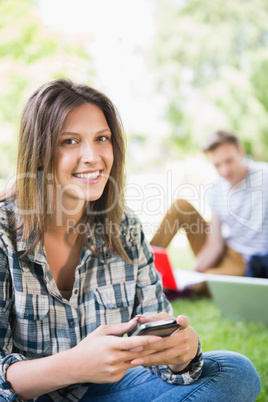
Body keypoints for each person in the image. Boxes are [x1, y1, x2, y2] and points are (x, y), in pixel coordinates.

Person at [0, 80, 261, 401]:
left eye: (102, 139)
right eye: (69, 141)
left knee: (234, 371)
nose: (92, 156)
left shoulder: (125, 228)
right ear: (38, 152)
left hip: (107, 393)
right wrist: (73, 365)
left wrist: (181, 355)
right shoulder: (4, 234)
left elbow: (160, 345)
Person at [151, 130, 268, 281]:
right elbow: (215, 244)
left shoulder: (264, 177)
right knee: (181, 206)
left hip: (249, 261)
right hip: (227, 250)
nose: (225, 171)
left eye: (229, 161)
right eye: (217, 165)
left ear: (240, 152)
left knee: (209, 281)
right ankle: (140, 265)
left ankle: (196, 282)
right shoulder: (216, 187)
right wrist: (194, 274)